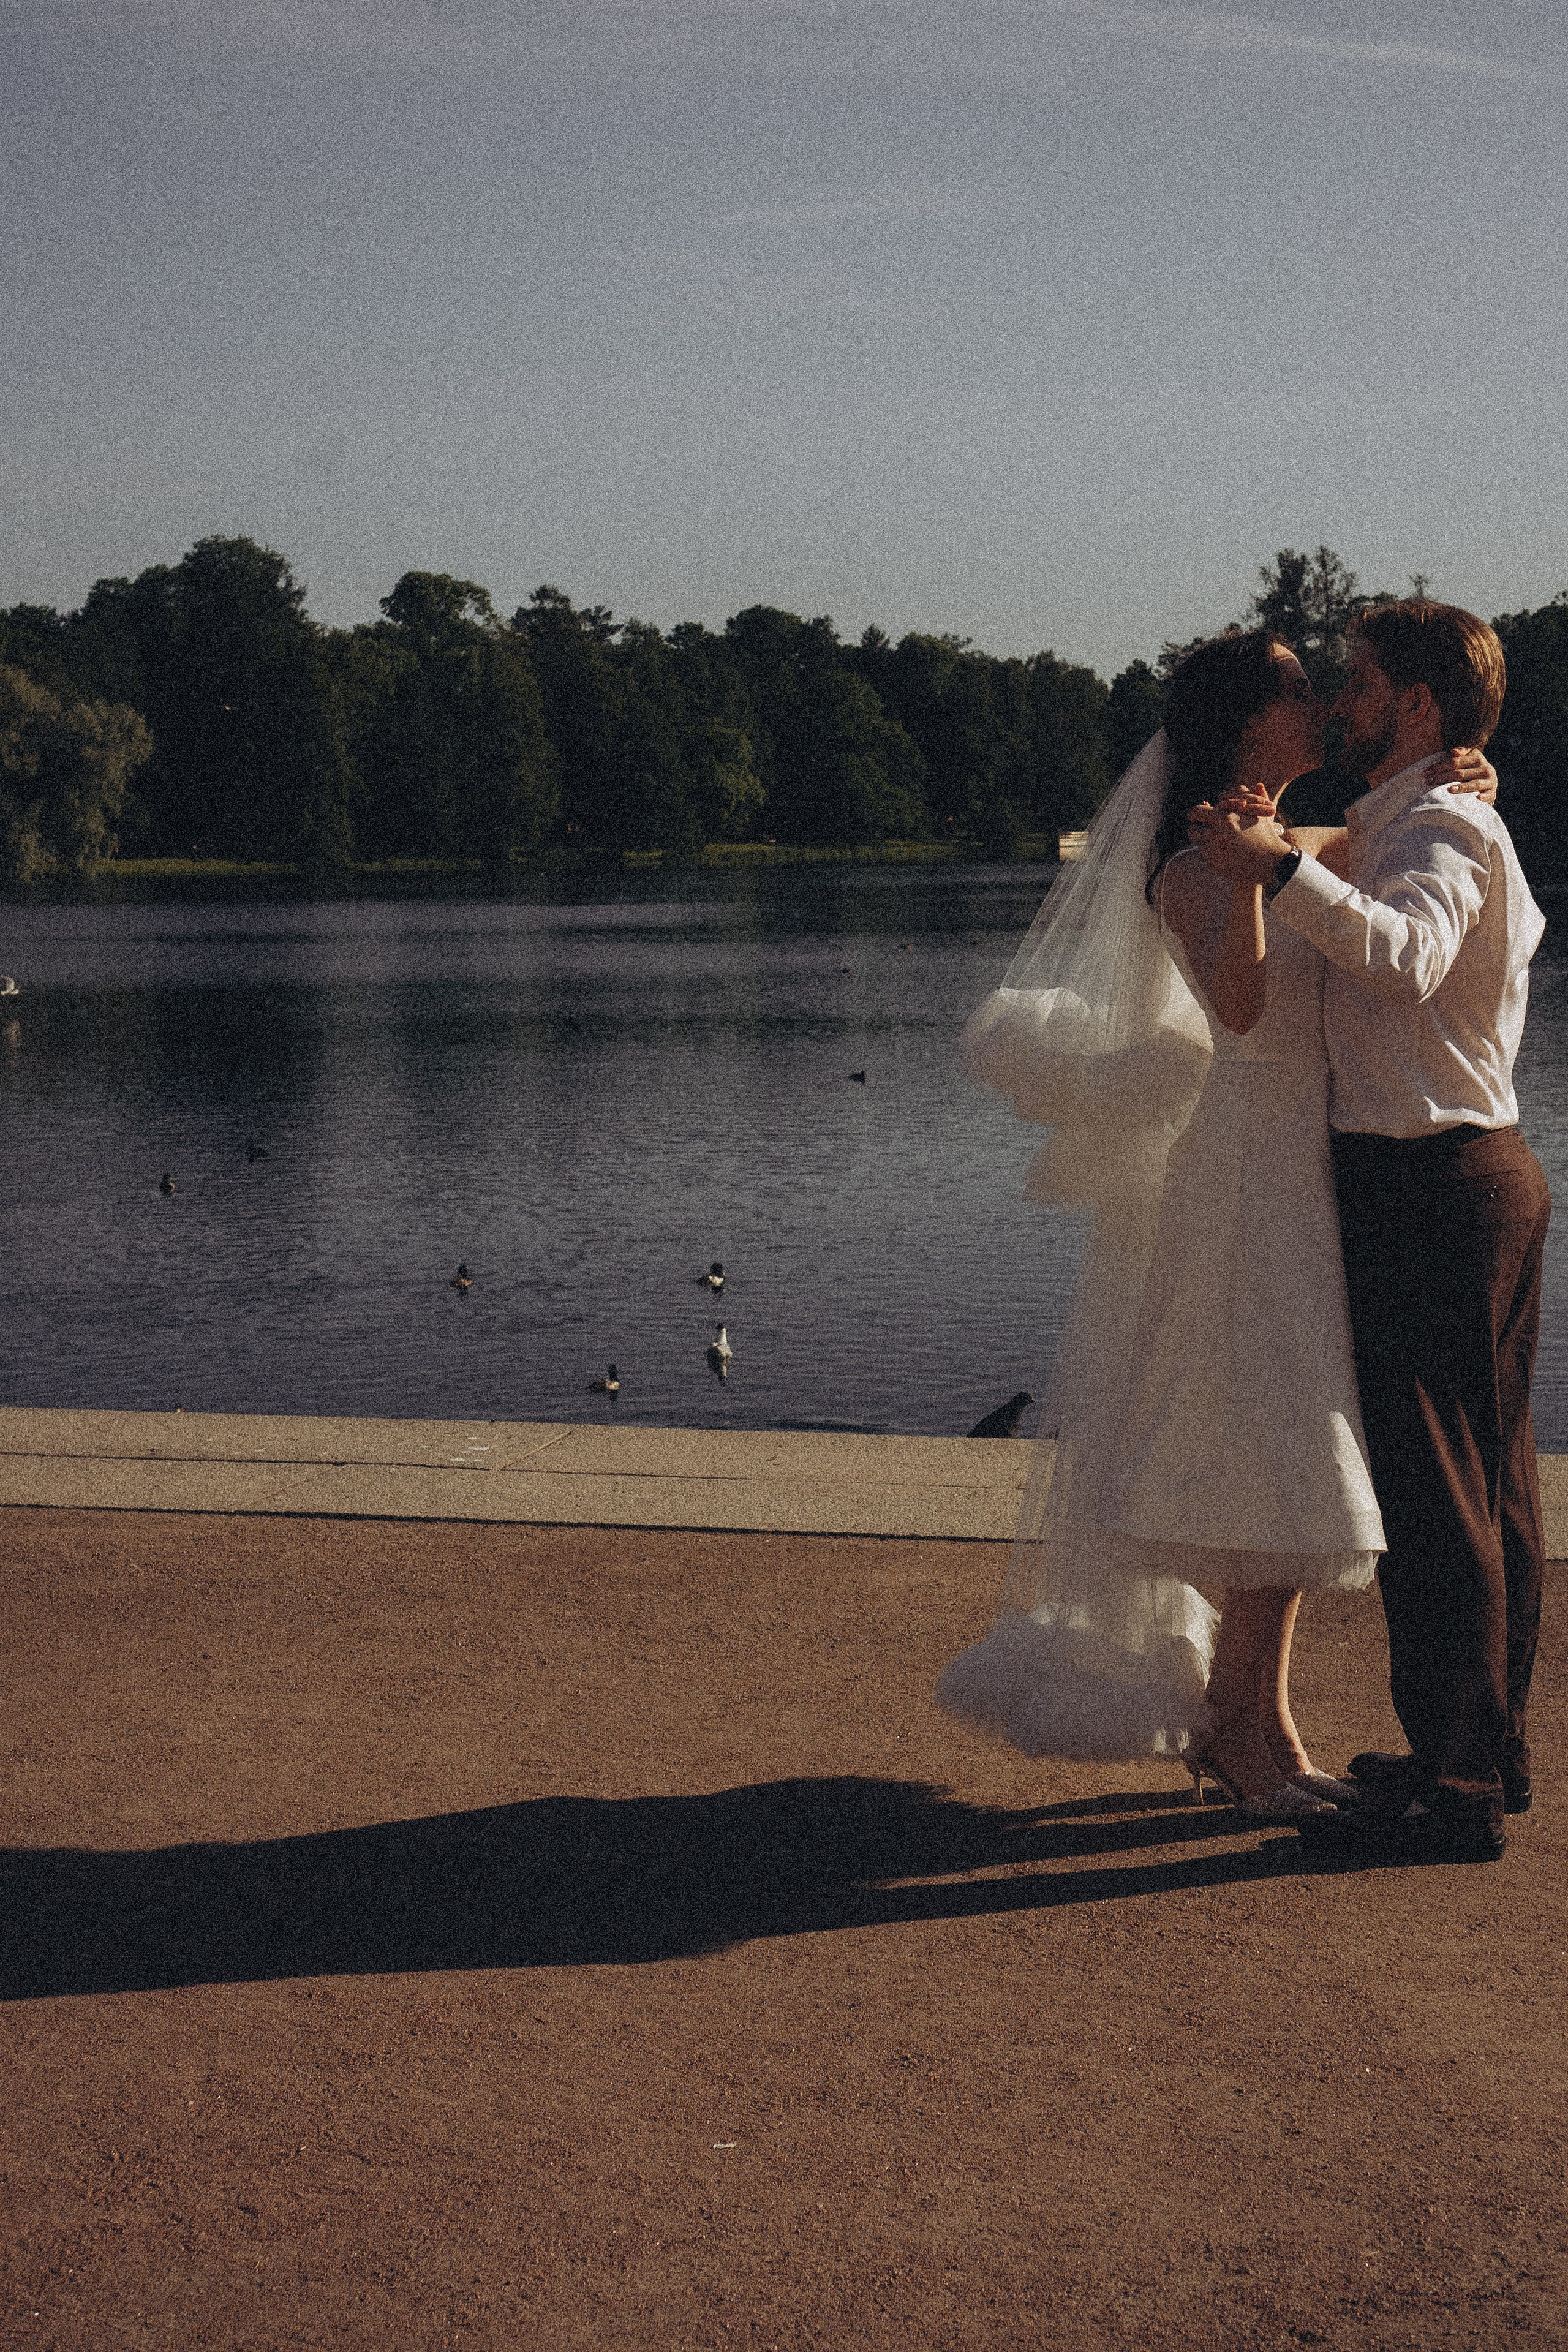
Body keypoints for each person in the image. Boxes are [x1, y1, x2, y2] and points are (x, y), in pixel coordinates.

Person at [937, 627, 1492, 1821]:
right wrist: (1248, 875)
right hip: (1240, 1173)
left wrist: (1464, 778)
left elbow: (1374, 869)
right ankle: (1251, 1738)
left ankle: (1257, 1728)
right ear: (1245, 722)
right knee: (1282, 1455)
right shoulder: (1193, 860)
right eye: (1297, 689)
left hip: (1296, 1170)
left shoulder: (1269, 840)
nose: (1321, 703)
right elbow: (1237, 1010)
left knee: (1286, 1460)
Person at [1193, 600, 1548, 1863]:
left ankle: (1453, 1791)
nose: (1339, 700)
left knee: (1440, 1494)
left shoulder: (1444, 825)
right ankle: (1480, 1757)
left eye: (1355, 680)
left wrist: (1272, 874)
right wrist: (1279, 853)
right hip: (1458, 1174)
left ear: (1412, 704)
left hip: (1430, 1183)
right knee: (1488, 1484)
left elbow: (1403, 960)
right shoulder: (1420, 814)